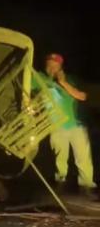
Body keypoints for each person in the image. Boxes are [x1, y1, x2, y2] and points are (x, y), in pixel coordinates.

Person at [33, 53, 96, 198]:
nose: (52, 69)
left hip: (76, 125)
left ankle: (86, 188)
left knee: (83, 158)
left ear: (61, 67)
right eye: (49, 65)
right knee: (60, 158)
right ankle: (60, 185)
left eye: (55, 66)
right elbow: (28, 89)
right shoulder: (40, 79)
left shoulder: (72, 79)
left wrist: (63, 83)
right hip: (56, 126)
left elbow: (82, 96)